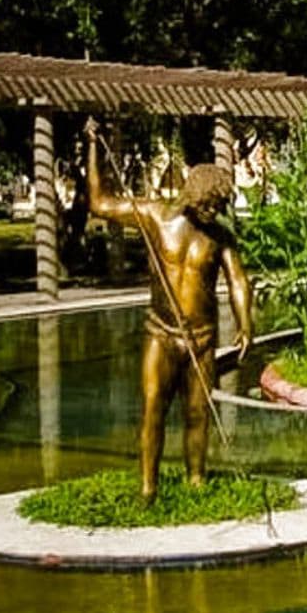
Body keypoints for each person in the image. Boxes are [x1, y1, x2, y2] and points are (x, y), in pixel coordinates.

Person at [84, 118, 252, 502]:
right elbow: (100, 203)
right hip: (161, 333)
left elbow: (238, 281)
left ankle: (197, 482)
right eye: (211, 204)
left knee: (198, 413)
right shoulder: (155, 217)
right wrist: (93, 146)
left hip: (203, 339)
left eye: (220, 205)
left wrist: (246, 324)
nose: (215, 210)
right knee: (153, 409)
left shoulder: (220, 237)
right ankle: (148, 489)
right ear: (195, 196)